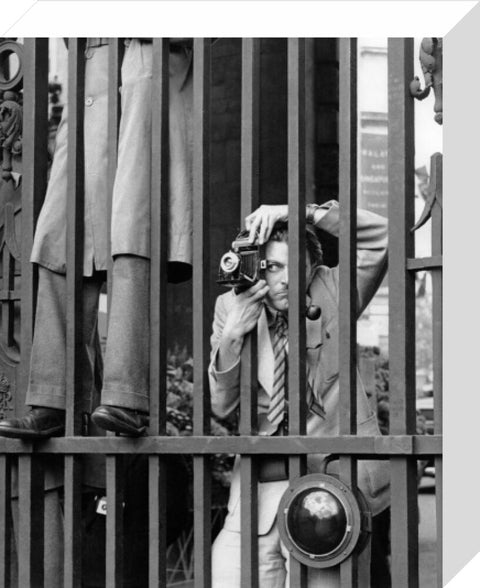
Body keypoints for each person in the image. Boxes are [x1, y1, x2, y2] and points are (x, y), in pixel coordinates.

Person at [0, 37, 193, 440]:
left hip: (145, 69)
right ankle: (54, 401)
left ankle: (126, 397)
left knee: (132, 230)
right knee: (60, 237)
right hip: (91, 83)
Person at [209, 200, 390, 587]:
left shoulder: (333, 288)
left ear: (311, 267)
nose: (285, 279)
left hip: (332, 488)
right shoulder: (231, 305)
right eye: (273, 267)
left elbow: (383, 238)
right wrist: (231, 338)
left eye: (295, 266)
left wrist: (299, 211)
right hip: (259, 490)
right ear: (256, 267)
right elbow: (222, 407)